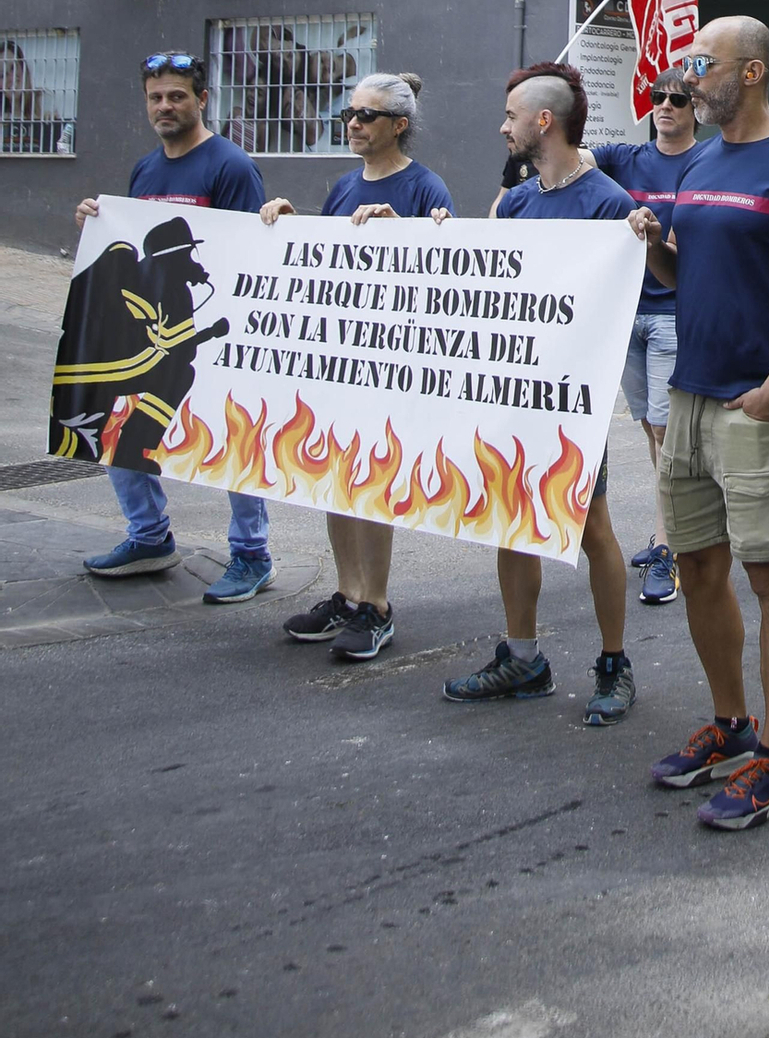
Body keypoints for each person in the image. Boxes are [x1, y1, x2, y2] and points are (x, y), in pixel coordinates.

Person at [631, 17, 769, 830]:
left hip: (759, 405)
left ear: (752, 71)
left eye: (704, 64)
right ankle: (730, 728)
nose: (688, 77)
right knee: (696, 568)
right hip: (690, 396)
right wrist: (657, 245)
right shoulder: (699, 162)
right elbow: (690, 273)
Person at [442, 65, 638, 724]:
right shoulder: (521, 202)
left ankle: (614, 663)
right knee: (511, 517)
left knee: (591, 528)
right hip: (514, 393)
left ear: (543, 122)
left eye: (510, 115)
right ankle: (522, 657)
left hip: (570, 402)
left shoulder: (610, 203)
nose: (502, 126)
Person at [262, 74, 453, 661]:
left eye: (367, 116)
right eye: (349, 113)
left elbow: (451, 270)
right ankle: (346, 594)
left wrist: (414, 235)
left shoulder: (425, 186)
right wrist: (287, 224)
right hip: (340, 359)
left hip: (391, 362)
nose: (353, 124)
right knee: (336, 481)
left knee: (372, 481)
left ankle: (377, 605)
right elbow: (328, 263)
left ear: (398, 125)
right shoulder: (344, 185)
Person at [73, 52, 276, 600]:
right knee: (118, 425)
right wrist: (97, 224)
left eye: (177, 96)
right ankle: (148, 538)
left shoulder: (229, 165)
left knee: (230, 437)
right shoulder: (146, 169)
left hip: (211, 337)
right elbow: (138, 247)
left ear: (202, 100)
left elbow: (244, 254)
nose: (165, 106)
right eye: (155, 97)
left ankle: (252, 555)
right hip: (153, 338)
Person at [589, 67, 700, 607]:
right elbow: (577, 162)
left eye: (678, 99)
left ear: (695, 107)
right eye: (658, 97)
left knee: (665, 429)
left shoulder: (705, 161)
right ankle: (671, 528)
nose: (666, 106)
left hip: (674, 314)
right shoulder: (624, 157)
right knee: (651, 431)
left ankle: (668, 543)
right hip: (623, 315)